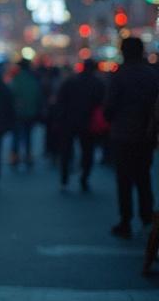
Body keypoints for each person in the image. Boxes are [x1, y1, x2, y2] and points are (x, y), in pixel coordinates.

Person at [104, 37, 159, 238]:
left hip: (123, 134)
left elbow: (109, 107)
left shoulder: (119, 76)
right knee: (144, 177)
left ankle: (125, 220)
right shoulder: (152, 75)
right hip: (146, 135)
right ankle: (147, 218)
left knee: (124, 180)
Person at [55, 58, 106, 191]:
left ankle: (64, 179)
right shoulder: (98, 84)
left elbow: (60, 102)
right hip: (88, 123)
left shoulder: (70, 82)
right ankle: (84, 178)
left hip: (68, 122)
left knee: (66, 151)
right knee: (87, 152)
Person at [9, 59, 42, 167]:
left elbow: (11, 94)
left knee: (16, 136)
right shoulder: (33, 79)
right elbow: (37, 96)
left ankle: (15, 157)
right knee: (28, 136)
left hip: (18, 113)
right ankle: (28, 156)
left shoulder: (16, 79)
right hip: (30, 112)